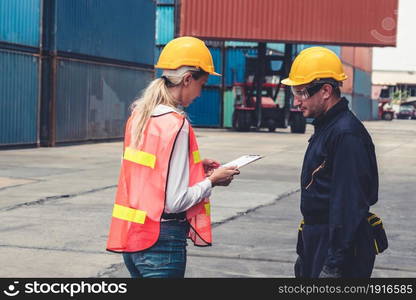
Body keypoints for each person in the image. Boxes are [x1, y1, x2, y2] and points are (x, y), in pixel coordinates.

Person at [106, 36, 240, 278]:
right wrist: (212, 181)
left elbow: (151, 172)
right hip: (162, 243)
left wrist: (194, 166)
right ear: (188, 79)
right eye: (202, 84)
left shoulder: (139, 115)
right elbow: (175, 202)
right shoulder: (177, 124)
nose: (200, 93)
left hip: (134, 240)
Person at [281, 47, 385, 278]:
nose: (296, 101)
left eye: (301, 93)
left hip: (336, 246)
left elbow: (348, 204)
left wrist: (334, 264)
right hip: (318, 240)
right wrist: (305, 252)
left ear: (326, 90)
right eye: (294, 93)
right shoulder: (327, 127)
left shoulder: (346, 135)